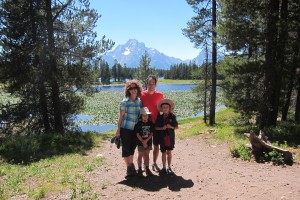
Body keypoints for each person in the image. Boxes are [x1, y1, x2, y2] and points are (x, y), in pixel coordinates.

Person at [115, 80, 143, 178]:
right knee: (126, 148)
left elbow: (140, 115)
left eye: (135, 88)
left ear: (138, 89)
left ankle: (131, 166)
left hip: (135, 129)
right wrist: (118, 130)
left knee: (132, 148)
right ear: (128, 90)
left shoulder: (139, 101)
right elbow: (121, 117)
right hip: (125, 128)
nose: (133, 90)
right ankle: (129, 167)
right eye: (131, 88)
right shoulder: (124, 102)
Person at [141, 75, 164, 172]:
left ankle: (154, 163)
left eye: (153, 84)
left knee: (156, 145)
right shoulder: (141, 95)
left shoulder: (160, 95)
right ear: (146, 84)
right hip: (146, 124)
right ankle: (144, 164)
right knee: (145, 145)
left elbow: (163, 109)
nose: (151, 85)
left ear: (156, 84)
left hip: (156, 123)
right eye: (149, 83)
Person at [155, 98, 178, 175]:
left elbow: (176, 126)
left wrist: (170, 126)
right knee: (163, 152)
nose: (165, 108)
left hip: (170, 137)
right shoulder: (159, 117)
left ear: (169, 108)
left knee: (169, 152)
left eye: (166, 107)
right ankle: (164, 168)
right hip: (162, 137)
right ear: (161, 109)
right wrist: (162, 128)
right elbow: (156, 127)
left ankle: (169, 167)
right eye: (163, 107)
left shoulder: (173, 116)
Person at [134, 107, 155, 177]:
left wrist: (146, 141)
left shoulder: (151, 123)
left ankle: (147, 168)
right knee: (140, 155)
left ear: (148, 116)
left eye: (146, 115)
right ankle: (140, 169)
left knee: (147, 155)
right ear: (141, 116)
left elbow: (152, 133)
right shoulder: (138, 124)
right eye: (143, 115)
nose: (145, 117)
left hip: (148, 142)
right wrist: (143, 141)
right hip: (140, 142)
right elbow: (137, 134)